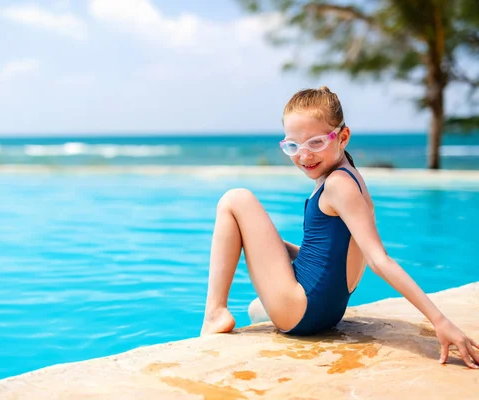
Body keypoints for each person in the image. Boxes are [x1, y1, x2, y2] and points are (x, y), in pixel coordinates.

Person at [199, 86, 479, 369]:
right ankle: (251, 309)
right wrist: (278, 251)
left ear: (342, 137)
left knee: (234, 200)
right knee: (256, 307)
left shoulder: (337, 186)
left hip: (304, 310)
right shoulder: (349, 176)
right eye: (293, 146)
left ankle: (215, 313)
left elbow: (378, 261)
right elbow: (335, 257)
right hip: (325, 312)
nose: (304, 155)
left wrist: (440, 321)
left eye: (316, 143)